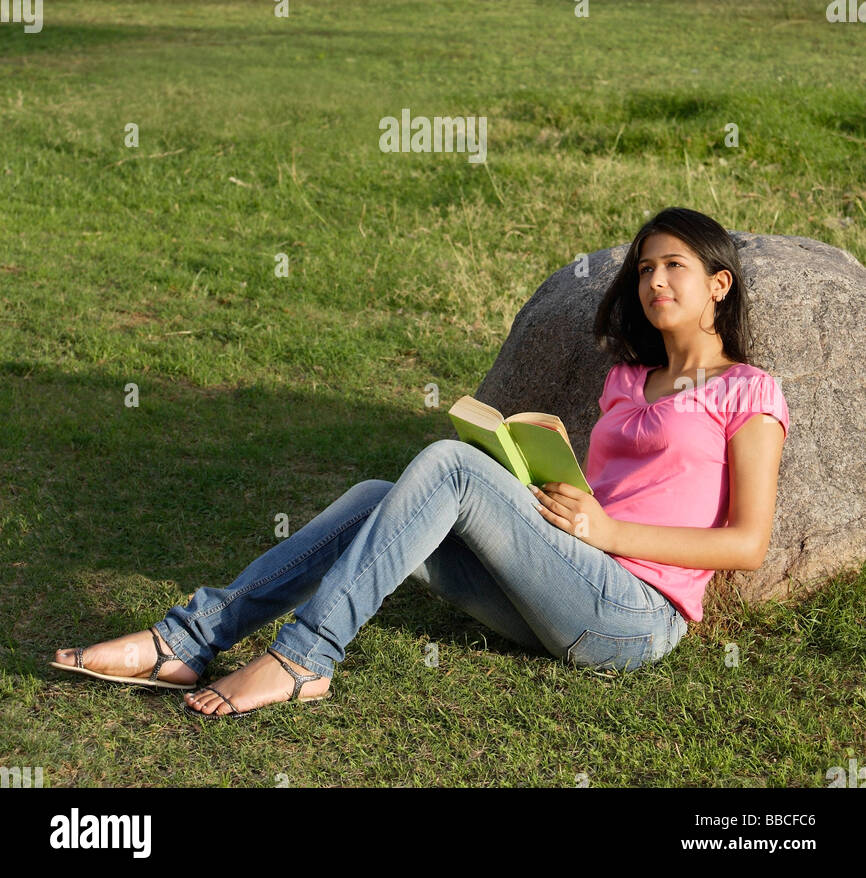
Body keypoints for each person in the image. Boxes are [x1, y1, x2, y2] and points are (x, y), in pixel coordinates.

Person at [51, 206, 789, 719]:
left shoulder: (749, 392)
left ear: (718, 284)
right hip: (564, 586)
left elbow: (747, 545)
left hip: (635, 618)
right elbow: (620, 498)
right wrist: (550, 497)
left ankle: (306, 657)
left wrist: (606, 533)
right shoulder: (628, 380)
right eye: (644, 270)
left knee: (447, 465)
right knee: (382, 492)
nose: (654, 282)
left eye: (674, 267)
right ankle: (187, 640)